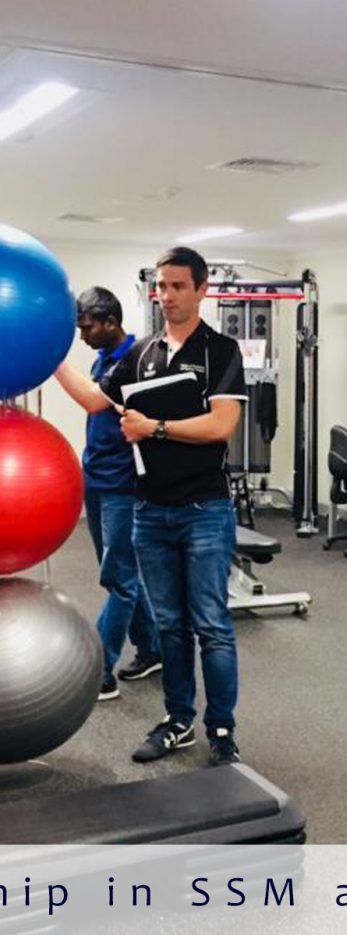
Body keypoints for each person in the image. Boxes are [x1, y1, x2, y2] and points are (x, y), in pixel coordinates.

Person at [55, 247, 245, 766]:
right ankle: (179, 721)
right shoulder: (141, 353)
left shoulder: (221, 351)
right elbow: (95, 399)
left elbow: (221, 425)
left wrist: (153, 428)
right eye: (161, 286)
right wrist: (50, 355)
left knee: (211, 625)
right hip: (150, 511)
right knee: (169, 625)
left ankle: (221, 730)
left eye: (178, 286)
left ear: (202, 289)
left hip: (204, 510)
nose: (167, 296)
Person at [55, 287, 161, 701]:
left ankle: (99, 670)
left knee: (119, 578)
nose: (82, 336)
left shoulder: (136, 360)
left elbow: (91, 401)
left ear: (111, 323)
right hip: (97, 480)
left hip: (123, 487)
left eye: (87, 328)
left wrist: (49, 355)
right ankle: (153, 649)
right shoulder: (104, 357)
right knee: (120, 571)